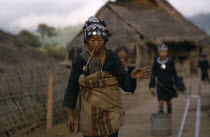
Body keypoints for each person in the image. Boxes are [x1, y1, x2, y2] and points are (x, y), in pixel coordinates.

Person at [63, 16, 150, 137]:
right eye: (92, 40)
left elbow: (124, 83)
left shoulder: (112, 57)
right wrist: (71, 115)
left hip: (111, 112)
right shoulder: (80, 60)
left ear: (105, 40)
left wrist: (131, 77)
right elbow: (72, 87)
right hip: (89, 114)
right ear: (86, 40)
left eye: (100, 40)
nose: (96, 44)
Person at [149, 44, 179, 114]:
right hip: (160, 86)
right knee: (161, 101)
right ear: (159, 53)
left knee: (168, 102)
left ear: (167, 52)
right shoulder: (156, 63)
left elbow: (174, 74)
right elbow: (153, 75)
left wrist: (177, 85)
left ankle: (169, 116)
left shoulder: (170, 62)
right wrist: (152, 87)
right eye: (161, 52)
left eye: (164, 52)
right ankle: (161, 118)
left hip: (169, 85)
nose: (163, 53)